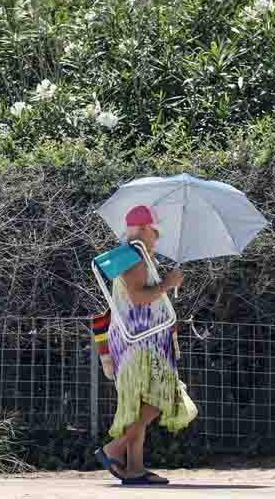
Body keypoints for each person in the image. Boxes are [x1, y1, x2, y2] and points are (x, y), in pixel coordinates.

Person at [94, 205, 198, 486]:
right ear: (142, 229)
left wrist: (165, 283)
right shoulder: (133, 257)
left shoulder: (134, 256)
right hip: (141, 343)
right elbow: (139, 298)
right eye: (155, 231)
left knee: (138, 404)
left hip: (140, 341)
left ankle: (135, 469)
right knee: (163, 395)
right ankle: (114, 449)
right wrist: (169, 283)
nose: (158, 237)